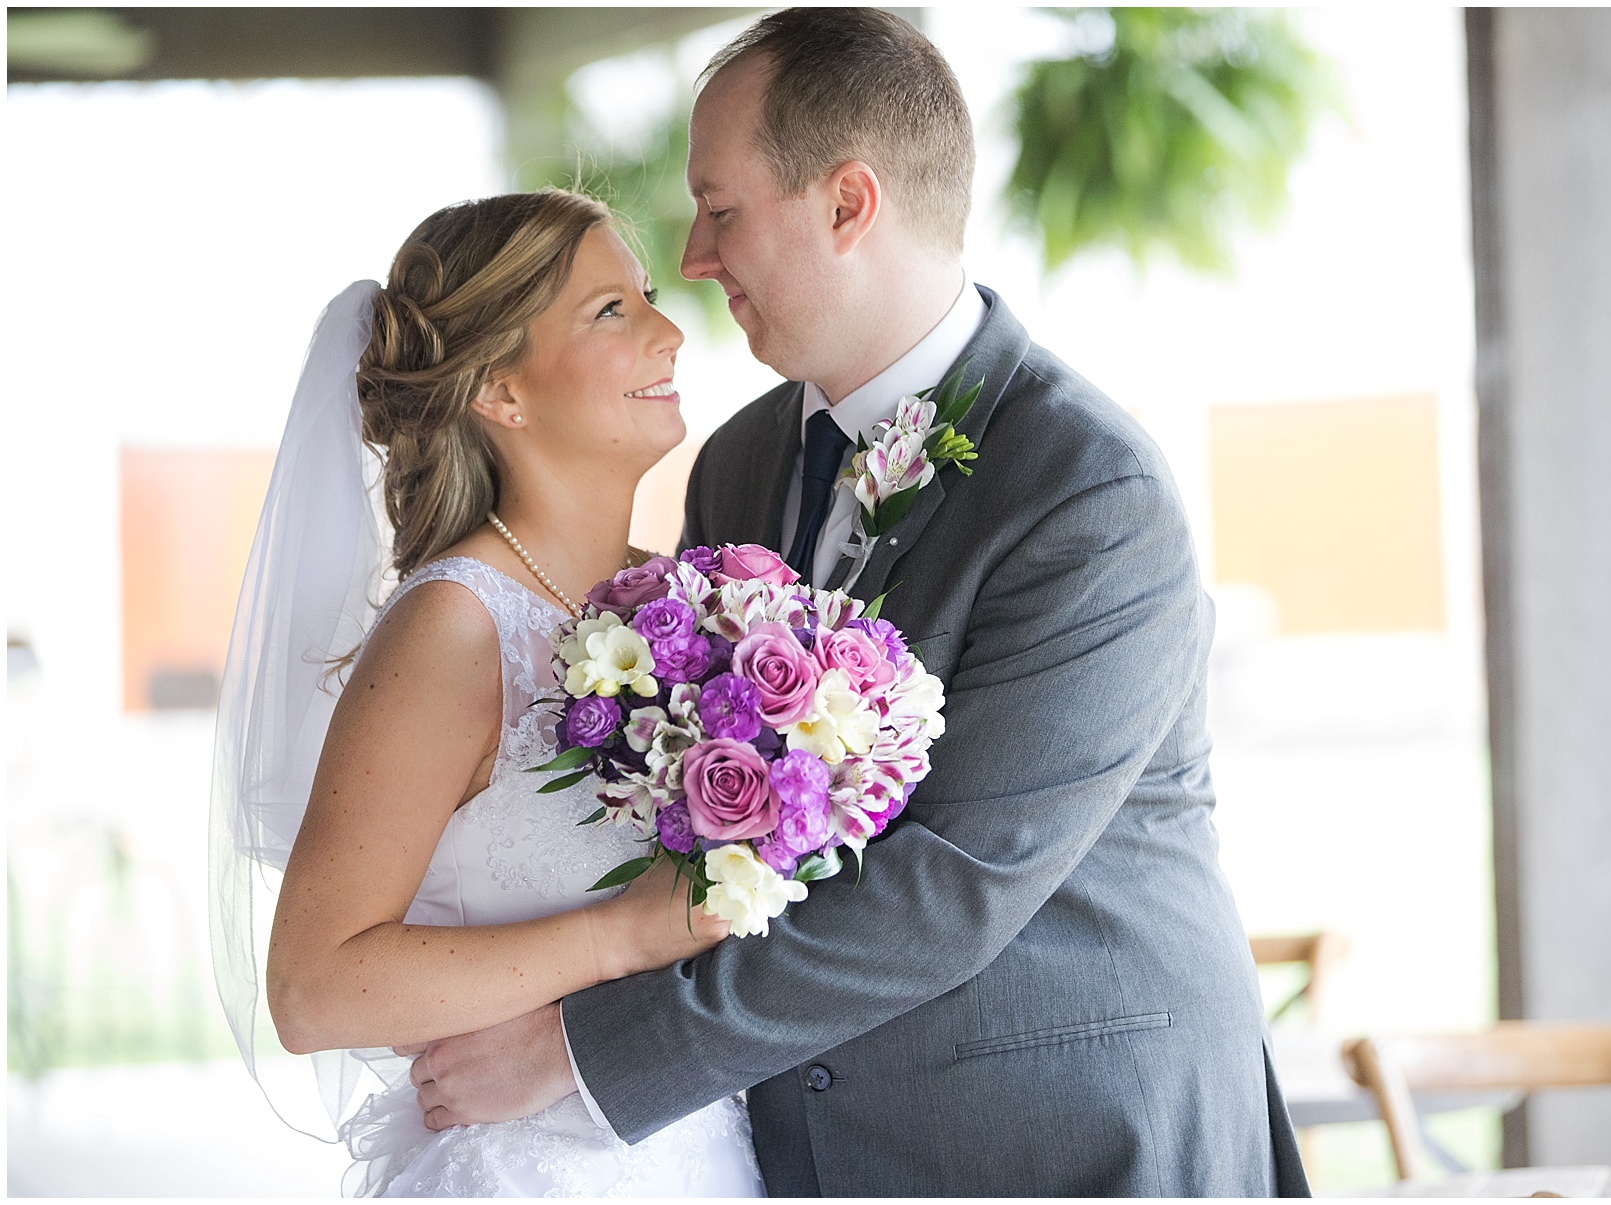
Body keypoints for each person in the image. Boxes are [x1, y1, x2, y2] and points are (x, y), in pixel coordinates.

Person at [408, 9, 1309, 1196]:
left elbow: (953, 881)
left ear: (847, 203)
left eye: (721, 209)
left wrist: (587, 1053)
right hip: (813, 1147)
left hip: (1070, 1139)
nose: (694, 257)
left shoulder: (1088, 490)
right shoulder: (736, 464)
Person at [225, 190, 766, 1196]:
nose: (668, 328)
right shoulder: (453, 628)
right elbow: (313, 987)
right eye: (612, 311)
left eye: (645, 295)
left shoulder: (697, 601)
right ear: (500, 393)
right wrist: (623, 933)